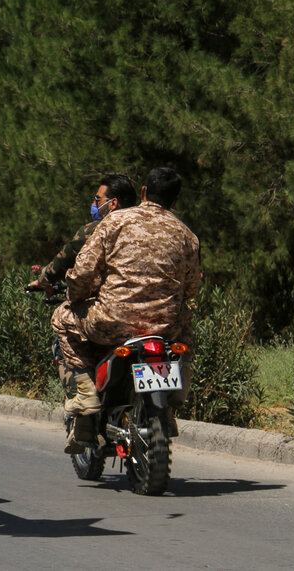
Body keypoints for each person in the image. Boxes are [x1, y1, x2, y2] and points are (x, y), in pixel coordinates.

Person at [52, 167, 201, 452]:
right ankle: (173, 399)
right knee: (186, 325)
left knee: (62, 317)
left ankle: (85, 394)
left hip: (111, 322)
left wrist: (75, 296)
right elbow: (191, 289)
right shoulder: (187, 235)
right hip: (164, 327)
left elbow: (83, 272)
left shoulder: (115, 221)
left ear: (143, 192)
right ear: (176, 201)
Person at [29, 174, 138, 296]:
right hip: (153, 301)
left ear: (113, 203)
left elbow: (65, 259)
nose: (94, 204)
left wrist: (43, 280)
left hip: (117, 304)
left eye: (98, 200)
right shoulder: (148, 226)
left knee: (64, 312)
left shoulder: (97, 229)